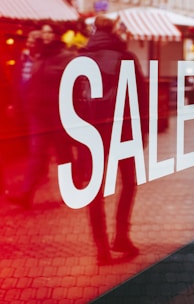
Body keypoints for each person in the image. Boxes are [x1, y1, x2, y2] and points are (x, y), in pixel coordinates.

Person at [75, 14, 148, 264]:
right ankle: (122, 237)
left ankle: (102, 248)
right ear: (115, 30)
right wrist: (143, 131)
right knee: (128, 182)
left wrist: (74, 136)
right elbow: (141, 98)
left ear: (94, 30)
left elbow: (70, 101)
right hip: (122, 129)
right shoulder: (126, 58)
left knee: (95, 190)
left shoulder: (80, 59)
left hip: (90, 131)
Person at [6, 23, 76, 209]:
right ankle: (26, 195)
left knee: (63, 154)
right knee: (37, 153)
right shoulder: (38, 55)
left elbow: (76, 85)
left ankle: (71, 192)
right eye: (43, 32)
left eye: (49, 32)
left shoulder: (67, 57)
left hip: (59, 113)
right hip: (38, 114)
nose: (45, 36)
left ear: (57, 35)